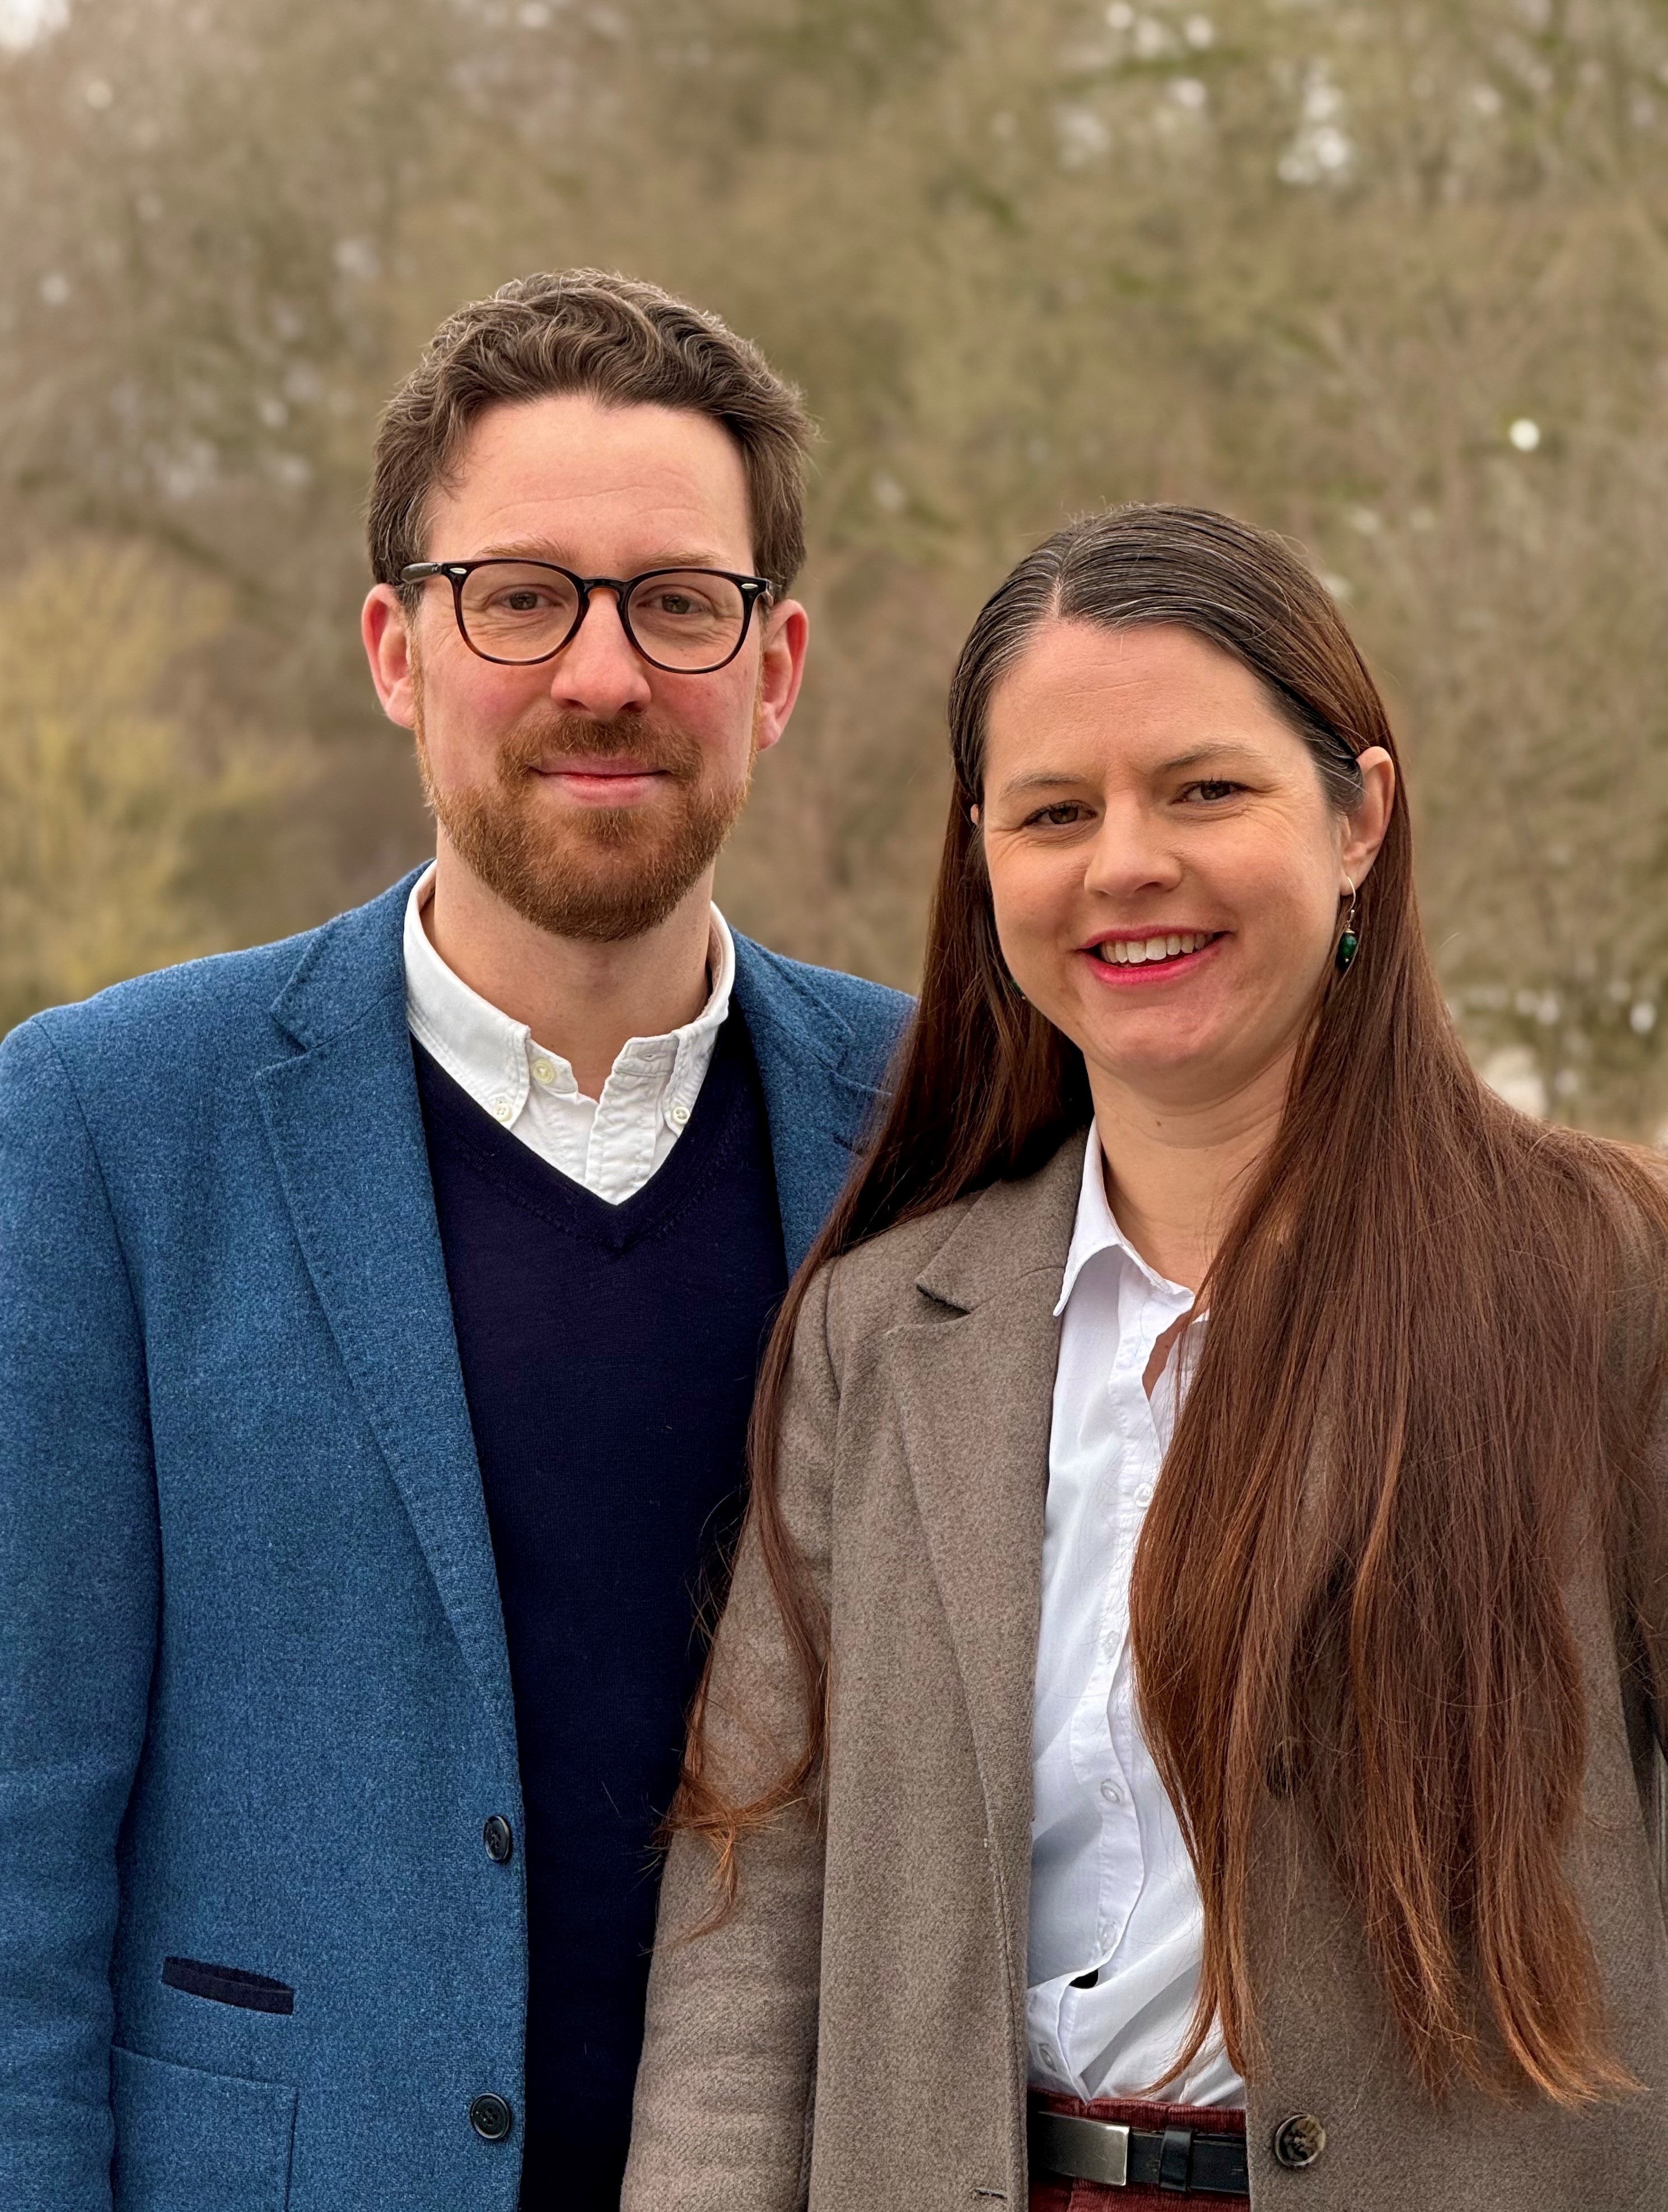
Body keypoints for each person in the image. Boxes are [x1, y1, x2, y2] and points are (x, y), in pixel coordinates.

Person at [623, 503, 1668, 2209]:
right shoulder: (878, 1338)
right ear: (983, 861)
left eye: (1202, 790)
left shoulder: (1606, 1286)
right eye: (1053, 812)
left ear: (1357, 819)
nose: (1124, 863)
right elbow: (758, 1935)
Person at [0, 270, 908, 2212]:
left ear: (777, 666)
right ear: (398, 652)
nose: (601, 674)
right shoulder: (103, 1125)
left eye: (679, 601)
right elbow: (18, 1842)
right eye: (519, 597)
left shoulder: (935, 1128)